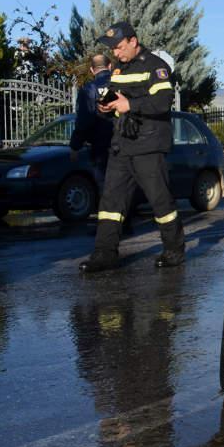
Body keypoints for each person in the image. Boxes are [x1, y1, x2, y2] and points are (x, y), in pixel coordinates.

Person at [79, 22, 185, 273]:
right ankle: (104, 254)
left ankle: (174, 250)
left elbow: (162, 102)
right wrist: (106, 107)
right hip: (121, 146)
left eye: (118, 47)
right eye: (113, 50)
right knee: (111, 203)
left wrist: (131, 105)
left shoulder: (156, 67)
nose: (115, 53)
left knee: (160, 201)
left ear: (133, 41)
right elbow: (116, 99)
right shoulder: (118, 69)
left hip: (148, 145)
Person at [69, 54, 115, 185]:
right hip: (124, 144)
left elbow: (84, 120)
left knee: (104, 188)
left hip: (100, 147)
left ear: (92, 70)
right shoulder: (120, 85)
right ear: (110, 66)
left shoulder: (89, 89)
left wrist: (74, 146)